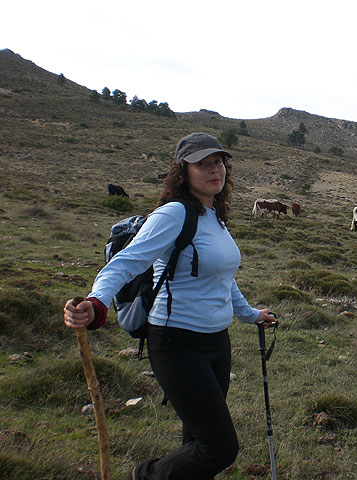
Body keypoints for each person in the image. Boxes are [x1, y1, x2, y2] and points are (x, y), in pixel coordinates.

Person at [63, 132, 277, 480]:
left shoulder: (215, 217)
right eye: (202, 164)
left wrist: (251, 315)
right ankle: (145, 475)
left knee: (197, 440)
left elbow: (223, 278)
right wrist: (96, 302)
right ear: (183, 171)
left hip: (216, 343)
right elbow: (126, 263)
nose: (214, 170)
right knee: (219, 448)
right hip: (177, 344)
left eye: (218, 162)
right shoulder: (174, 213)